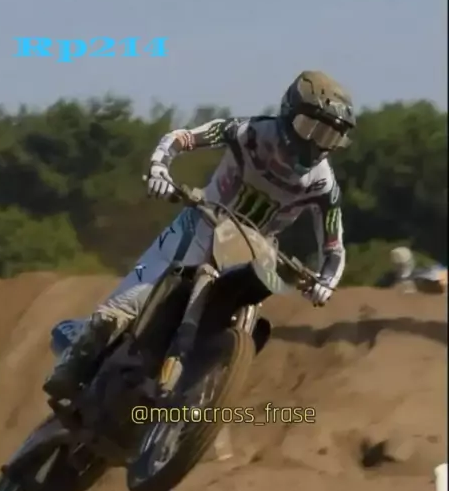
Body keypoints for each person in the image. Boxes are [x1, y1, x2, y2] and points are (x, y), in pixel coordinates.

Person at [44, 70, 356, 401]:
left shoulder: (324, 184)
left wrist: (326, 280)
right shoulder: (247, 132)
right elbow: (182, 138)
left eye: (329, 136)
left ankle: (206, 391)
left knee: (248, 320)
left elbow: (334, 247)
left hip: (254, 251)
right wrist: (160, 168)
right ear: (288, 113)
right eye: (310, 128)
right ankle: (76, 356)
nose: (315, 143)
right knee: (125, 307)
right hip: (198, 224)